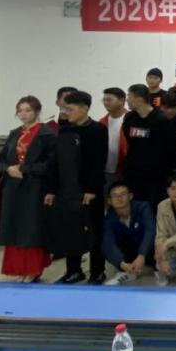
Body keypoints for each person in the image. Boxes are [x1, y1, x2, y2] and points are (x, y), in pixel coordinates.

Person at [44, 90, 108, 284]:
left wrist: (92, 189)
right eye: (65, 109)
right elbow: (56, 162)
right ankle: (73, 271)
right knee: (70, 230)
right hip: (66, 189)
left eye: (70, 109)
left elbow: (99, 162)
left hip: (89, 190)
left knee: (94, 231)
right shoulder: (65, 130)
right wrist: (51, 189)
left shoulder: (98, 130)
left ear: (84, 109)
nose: (66, 112)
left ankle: (97, 271)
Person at [0, 96, 55, 282]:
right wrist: (8, 168)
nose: (23, 114)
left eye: (28, 110)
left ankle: (33, 269)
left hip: (35, 187)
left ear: (36, 112)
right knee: (14, 227)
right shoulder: (15, 133)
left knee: (31, 228)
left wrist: (25, 169)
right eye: (20, 110)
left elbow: (50, 163)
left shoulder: (46, 134)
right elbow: (3, 158)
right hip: (13, 186)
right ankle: (18, 268)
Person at [123, 84, 176, 209]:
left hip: (156, 178)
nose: (127, 100)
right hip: (134, 175)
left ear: (139, 99)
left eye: (129, 96)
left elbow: (172, 149)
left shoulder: (161, 120)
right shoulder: (129, 118)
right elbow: (129, 140)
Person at [101, 182, 156, 285]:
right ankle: (127, 270)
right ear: (109, 201)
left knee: (155, 244)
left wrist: (142, 254)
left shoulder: (143, 207)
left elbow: (150, 230)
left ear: (130, 196)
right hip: (128, 254)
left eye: (123, 194)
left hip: (147, 250)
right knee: (105, 243)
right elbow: (108, 243)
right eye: (115, 196)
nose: (119, 198)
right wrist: (121, 264)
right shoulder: (109, 219)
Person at [100, 87, 128, 189]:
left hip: (126, 171)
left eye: (109, 100)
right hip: (105, 171)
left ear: (122, 100)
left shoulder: (131, 120)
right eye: (104, 100)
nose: (106, 103)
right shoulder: (102, 122)